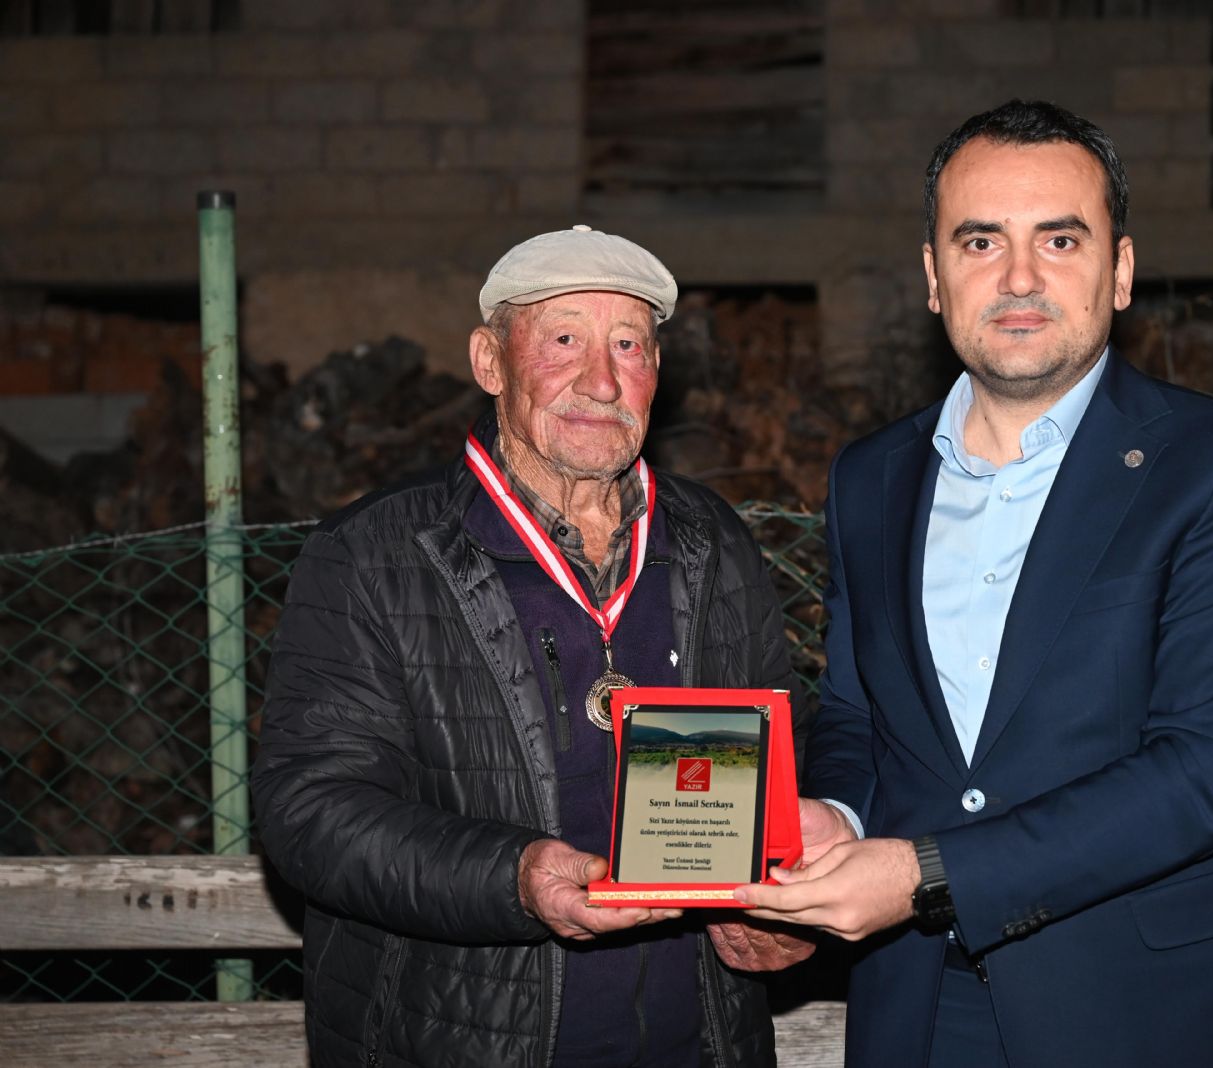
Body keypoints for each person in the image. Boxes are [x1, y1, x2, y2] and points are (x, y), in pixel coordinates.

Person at [736, 100, 1213, 1067]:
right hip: (920, 1003)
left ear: (1119, 271)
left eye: (1059, 238)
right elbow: (858, 715)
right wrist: (835, 816)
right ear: (934, 277)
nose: (1018, 277)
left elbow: (1209, 770)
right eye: (980, 241)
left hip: (1148, 1010)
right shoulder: (870, 478)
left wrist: (926, 873)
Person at [253, 226, 810, 1068]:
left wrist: (782, 899)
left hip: (699, 1041)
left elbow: (784, 756)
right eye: (564, 341)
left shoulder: (710, 541)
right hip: (458, 1042)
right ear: (490, 362)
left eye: (629, 344)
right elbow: (309, 809)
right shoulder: (375, 554)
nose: (602, 380)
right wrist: (511, 876)